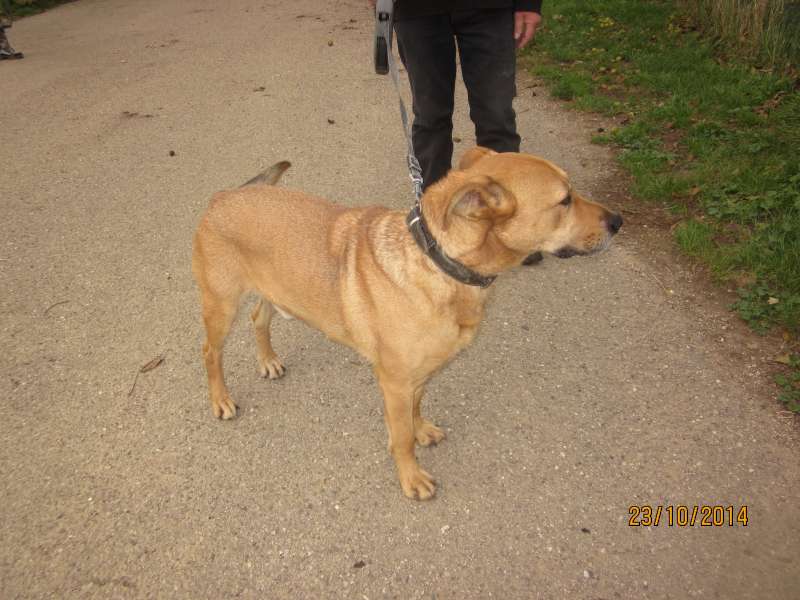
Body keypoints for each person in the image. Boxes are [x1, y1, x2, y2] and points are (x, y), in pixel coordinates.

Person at [375, 0, 544, 262]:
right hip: (416, 10)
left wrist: (529, 3)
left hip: (491, 9)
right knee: (431, 117)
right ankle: (432, 225)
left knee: (496, 117)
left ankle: (509, 228)